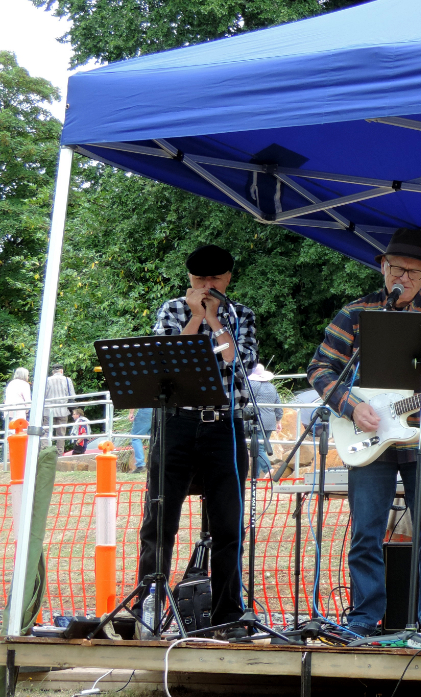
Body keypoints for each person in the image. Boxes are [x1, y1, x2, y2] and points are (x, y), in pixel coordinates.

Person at [307, 228, 421, 637]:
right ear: (382, 267)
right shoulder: (355, 313)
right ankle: (363, 619)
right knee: (366, 531)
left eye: (414, 272)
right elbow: (320, 368)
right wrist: (351, 406)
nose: (403, 278)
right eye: (396, 268)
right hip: (365, 436)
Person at [138, 244, 258, 631]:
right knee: (159, 520)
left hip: (224, 424)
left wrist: (215, 320)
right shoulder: (172, 310)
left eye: (214, 279)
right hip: (177, 422)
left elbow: (238, 361)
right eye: (199, 279)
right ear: (189, 279)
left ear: (228, 279)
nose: (206, 285)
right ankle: (148, 608)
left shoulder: (241, 315)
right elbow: (166, 362)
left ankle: (227, 614)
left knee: (227, 525)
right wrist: (194, 318)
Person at [247, 364, 284, 476]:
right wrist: (278, 421)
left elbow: (245, 401)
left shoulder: (252, 384)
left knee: (257, 448)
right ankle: (256, 476)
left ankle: (267, 468)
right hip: (270, 421)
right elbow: (278, 405)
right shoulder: (271, 386)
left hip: (257, 421)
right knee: (260, 448)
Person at [44, 364, 75, 450]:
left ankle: (45, 451)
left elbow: (43, 395)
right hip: (63, 411)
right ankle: (60, 452)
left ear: (53, 372)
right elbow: (72, 396)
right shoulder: (67, 380)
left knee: (46, 432)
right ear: (62, 371)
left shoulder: (47, 380)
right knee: (61, 434)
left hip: (48, 411)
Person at [4, 367, 31, 436]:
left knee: (10, 431)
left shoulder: (11, 383)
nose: (28, 377)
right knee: (20, 433)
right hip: (19, 411)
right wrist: (27, 411)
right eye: (28, 375)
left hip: (8, 410)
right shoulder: (25, 384)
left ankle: (8, 442)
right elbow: (27, 400)